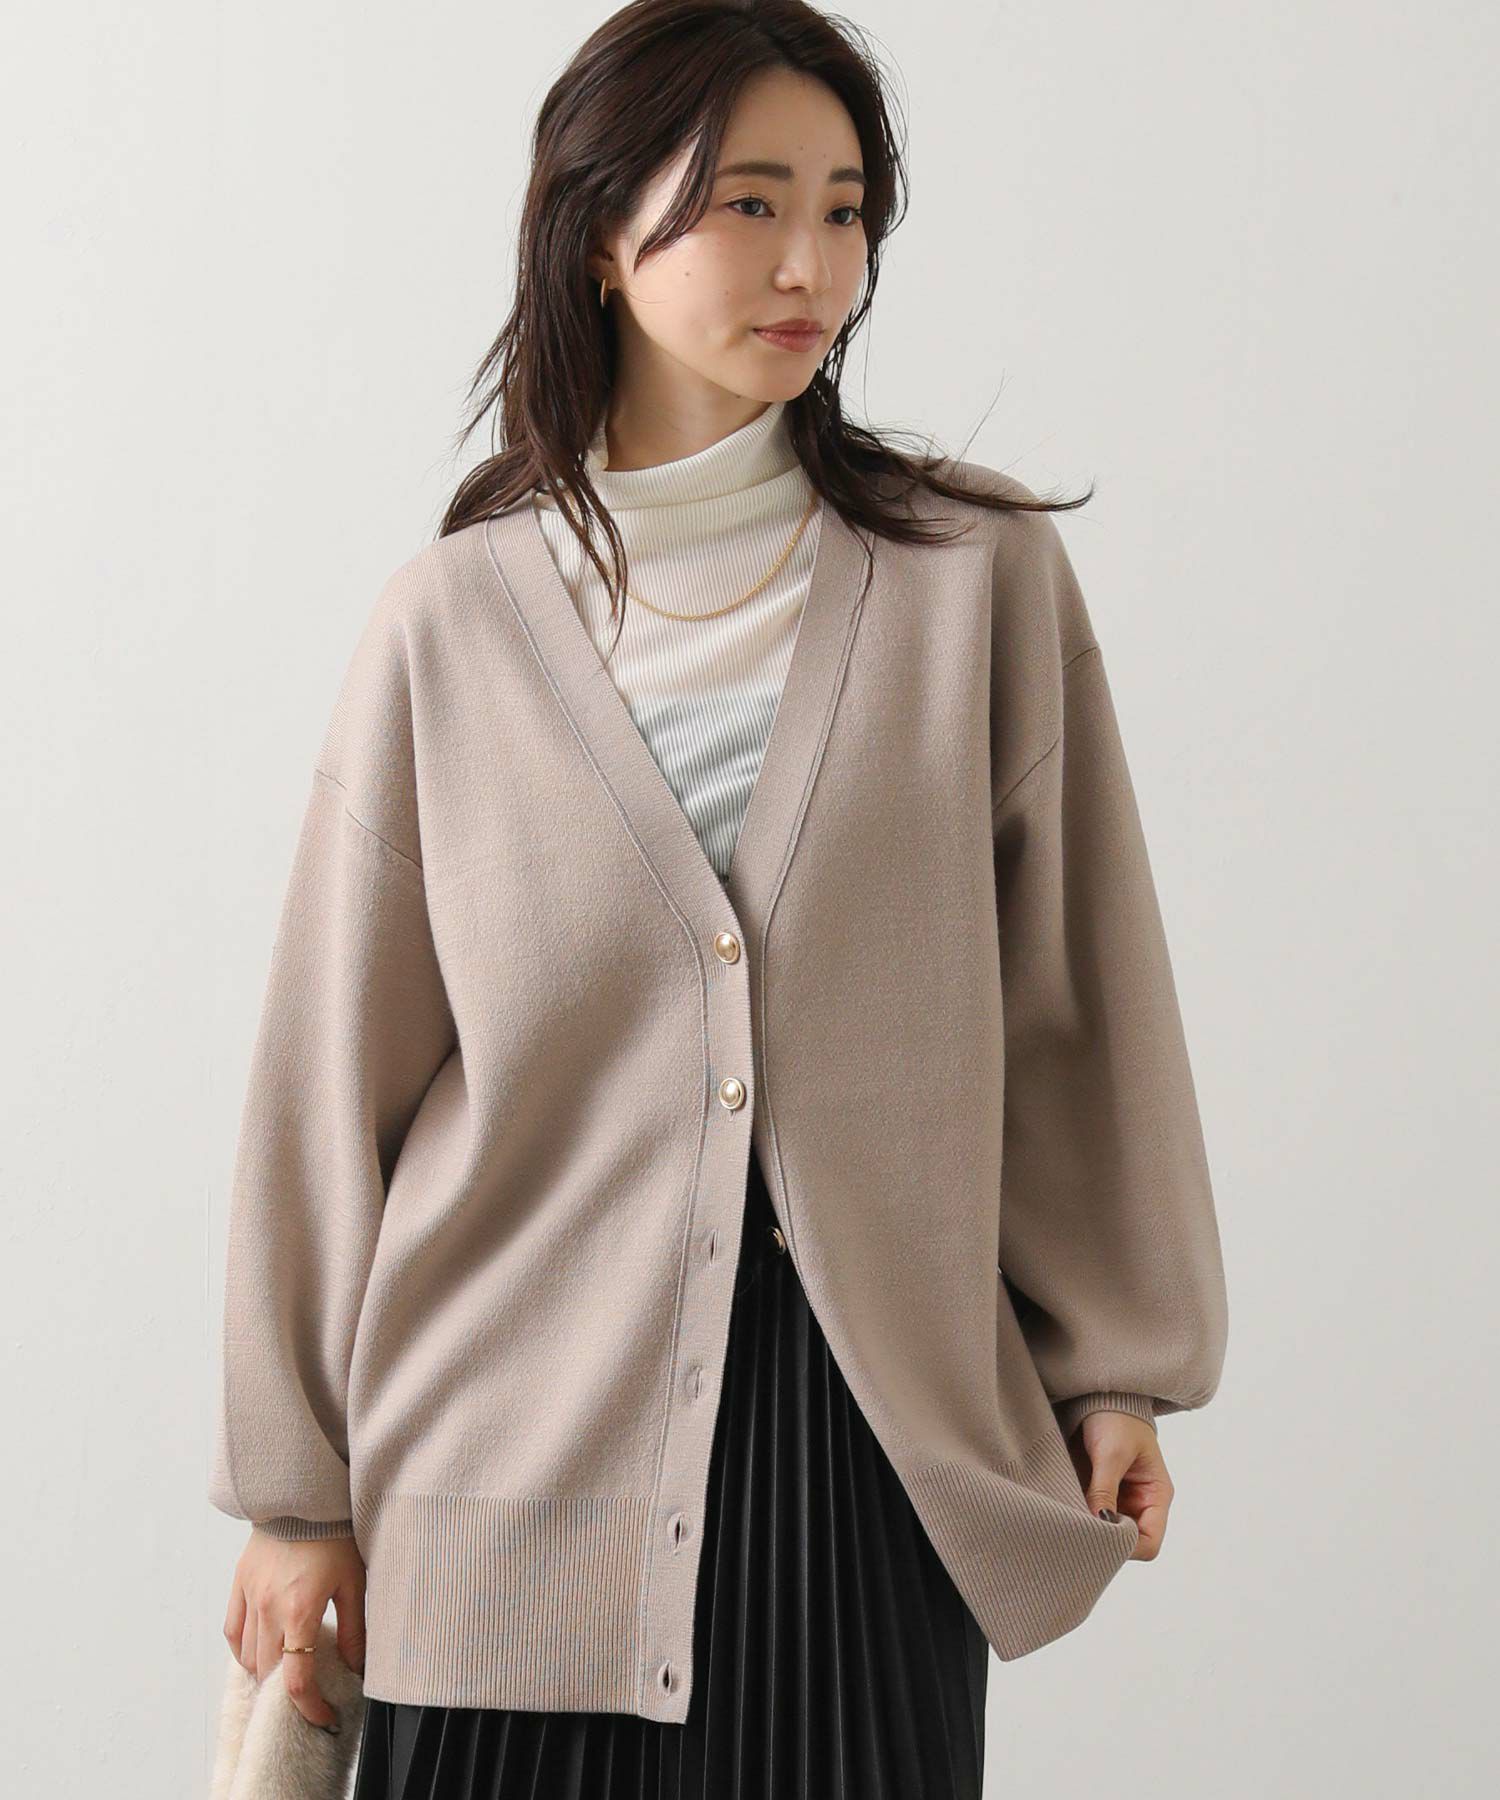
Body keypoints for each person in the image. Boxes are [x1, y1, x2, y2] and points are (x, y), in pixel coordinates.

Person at [211, 5, 1229, 1795]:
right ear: (603, 233)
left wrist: (1114, 1368)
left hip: (868, 1483)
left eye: (844, 211)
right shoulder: (452, 627)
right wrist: (298, 1496)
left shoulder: (973, 581)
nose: (811, 264)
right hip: (496, 1490)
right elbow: (329, 1085)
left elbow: (1079, 1003)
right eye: (749, 204)